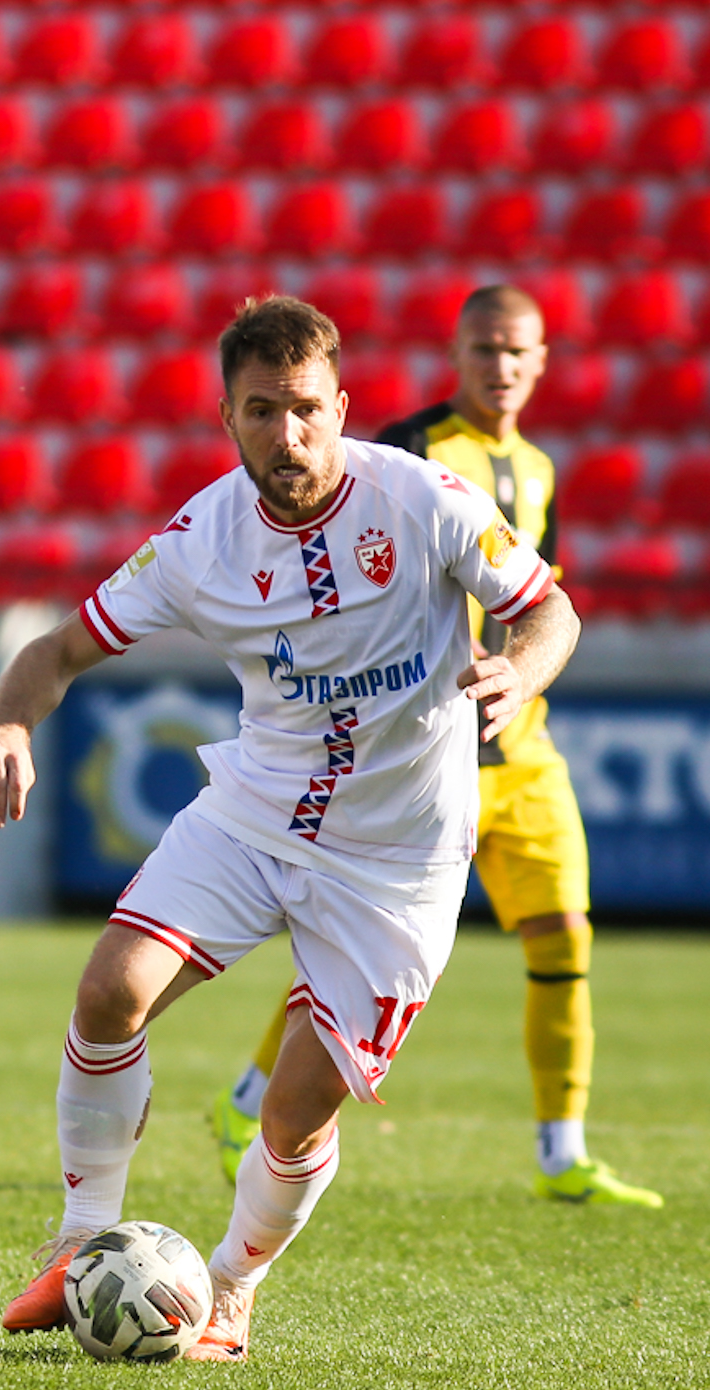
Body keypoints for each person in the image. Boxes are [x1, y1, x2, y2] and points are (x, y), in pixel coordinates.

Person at [0, 296, 578, 1361]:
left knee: (292, 1114)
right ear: (225, 417)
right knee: (108, 991)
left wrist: (515, 675)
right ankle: (77, 1240)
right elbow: (57, 649)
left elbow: (548, 608)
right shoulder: (199, 541)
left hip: (398, 859)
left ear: (340, 406)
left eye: (302, 411)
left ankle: (232, 1289)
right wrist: (7, 717)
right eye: (259, 413)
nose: (284, 438)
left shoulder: (424, 497)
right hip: (254, 814)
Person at [207, 286, 660, 1209]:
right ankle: (248, 1104)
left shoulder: (536, 467)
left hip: (523, 754)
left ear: (540, 362)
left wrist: (522, 675)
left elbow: (540, 601)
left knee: (564, 936)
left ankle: (561, 1152)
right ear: (457, 352)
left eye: (519, 352)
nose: (501, 366)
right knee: (344, 956)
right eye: (486, 348)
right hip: (423, 759)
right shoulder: (413, 453)